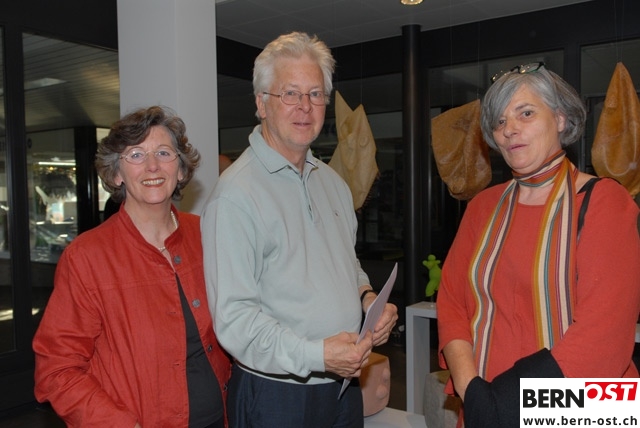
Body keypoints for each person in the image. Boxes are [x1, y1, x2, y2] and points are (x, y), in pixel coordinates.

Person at [201, 32, 398, 428]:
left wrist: (366, 297)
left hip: (343, 386)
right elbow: (235, 321)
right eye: (290, 93)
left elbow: (346, 264)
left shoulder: (333, 183)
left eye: (315, 94)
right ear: (262, 103)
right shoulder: (235, 195)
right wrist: (316, 356)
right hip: (276, 395)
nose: (305, 107)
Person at [437, 63, 640, 428]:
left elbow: (603, 335)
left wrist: (505, 402)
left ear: (560, 119)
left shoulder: (605, 201)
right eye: (500, 121)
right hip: (485, 404)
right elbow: (452, 303)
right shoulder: (482, 207)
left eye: (525, 113)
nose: (509, 129)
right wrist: (473, 392)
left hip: (575, 407)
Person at [33, 106, 232, 428]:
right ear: (116, 174)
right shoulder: (86, 257)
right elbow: (57, 370)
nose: (152, 166)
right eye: (136, 155)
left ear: (181, 169)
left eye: (164, 153)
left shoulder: (206, 234)